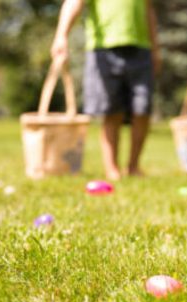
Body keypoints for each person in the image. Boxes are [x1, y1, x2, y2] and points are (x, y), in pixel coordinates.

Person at [51, 0, 160, 180]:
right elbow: (74, 2)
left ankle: (133, 166)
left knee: (143, 108)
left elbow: (148, 11)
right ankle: (112, 169)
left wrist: (155, 48)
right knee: (110, 110)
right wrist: (61, 35)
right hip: (103, 49)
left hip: (141, 49)